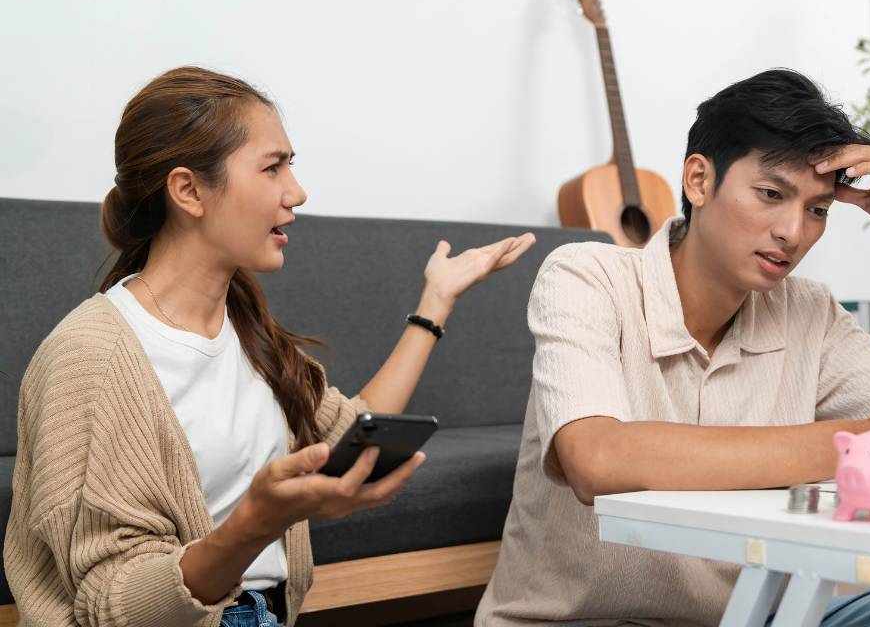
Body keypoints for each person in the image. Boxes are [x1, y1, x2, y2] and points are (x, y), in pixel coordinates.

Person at [477, 69, 870, 626]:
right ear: (698, 181)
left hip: (755, 617)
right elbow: (597, 457)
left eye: (817, 209)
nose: (793, 231)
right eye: (770, 194)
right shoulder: (587, 276)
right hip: (585, 622)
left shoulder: (808, 311)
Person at [3, 66, 535, 627]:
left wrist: (436, 302)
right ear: (188, 190)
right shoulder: (91, 357)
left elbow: (347, 428)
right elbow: (112, 606)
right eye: (272, 167)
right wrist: (253, 524)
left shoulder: (245, 329)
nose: (297, 192)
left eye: (291, 165)